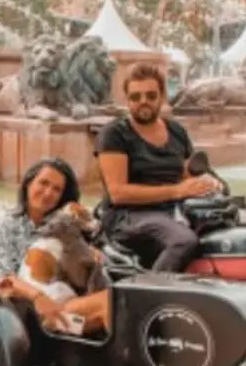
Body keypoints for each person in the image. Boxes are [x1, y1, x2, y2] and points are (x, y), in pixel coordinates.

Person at [95, 63, 221, 272]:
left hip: (172, 211)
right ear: (127, 100)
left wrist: (208, 183)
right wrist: (177, 191)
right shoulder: (114, 134)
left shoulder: (176, 130)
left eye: (150, 96)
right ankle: (150, 297)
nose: (143, 102)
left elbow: (188, 173)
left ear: (162, 96)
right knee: (183, 240)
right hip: (127, 216)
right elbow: (118, 193)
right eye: (135, 97)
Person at [0, 158, 111, 337]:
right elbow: (0, 278)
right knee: (111, 303)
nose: (48, 192)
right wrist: (37, 297)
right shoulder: (5, 224)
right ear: (28, 183)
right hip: (35, 314)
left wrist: (94, 255)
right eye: (43, 183)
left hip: (70, 303)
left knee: (123, 304)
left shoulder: (66, 224)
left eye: (56, 189)